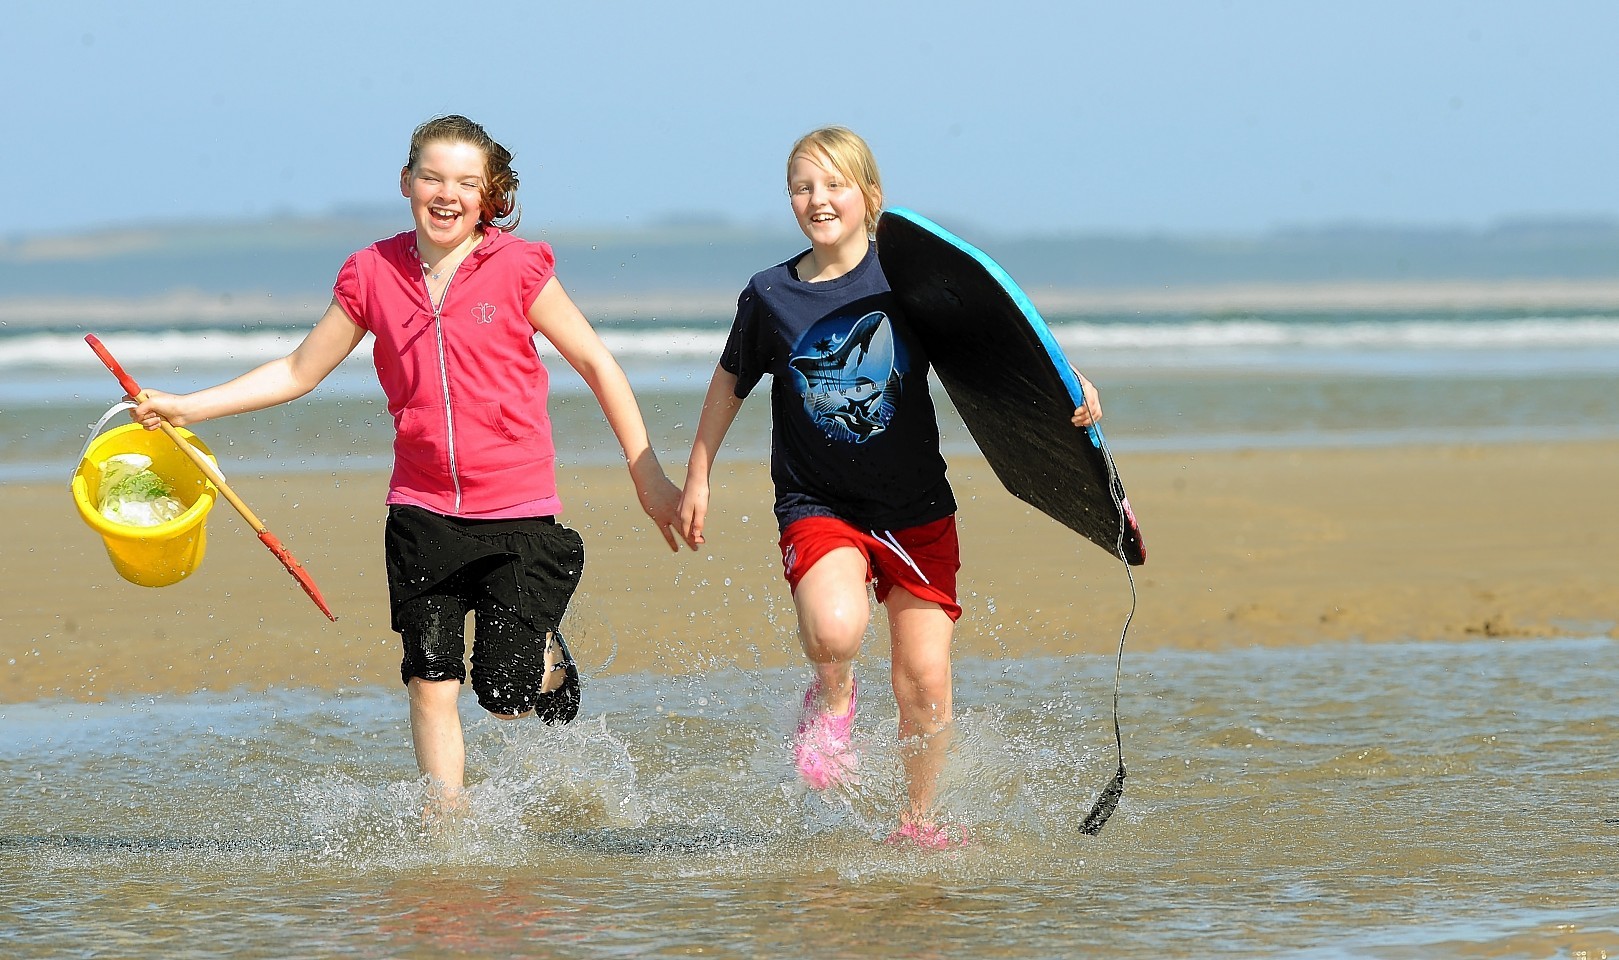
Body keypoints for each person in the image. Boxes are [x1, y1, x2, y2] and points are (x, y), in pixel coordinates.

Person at [131, 115, 690, 817]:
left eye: (466, 182)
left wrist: (647, 476)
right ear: (406, 183)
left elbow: (596, 363)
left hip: (517, 509)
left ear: (490, 197)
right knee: (430, 677)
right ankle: (444, 817)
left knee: (506, 694)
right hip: (421, 510)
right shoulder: (372, 273)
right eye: (431, 176)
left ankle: (546, 661)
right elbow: (300, 369)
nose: (446, 193)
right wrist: (190, 407)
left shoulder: (519, 267)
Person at [677, 126, 1103, 848]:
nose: (818, 199)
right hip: (820, 503)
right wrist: (697, 474)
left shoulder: (907, 286)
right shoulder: (770, 294)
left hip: (915, 509)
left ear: (869, 197)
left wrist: (1071, 385)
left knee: (925, 683)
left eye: (834, 184)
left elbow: (998, 353)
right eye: (803, 187)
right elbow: (730, 377)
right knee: (837, 630)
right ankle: (832, 700)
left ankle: (917, 820)